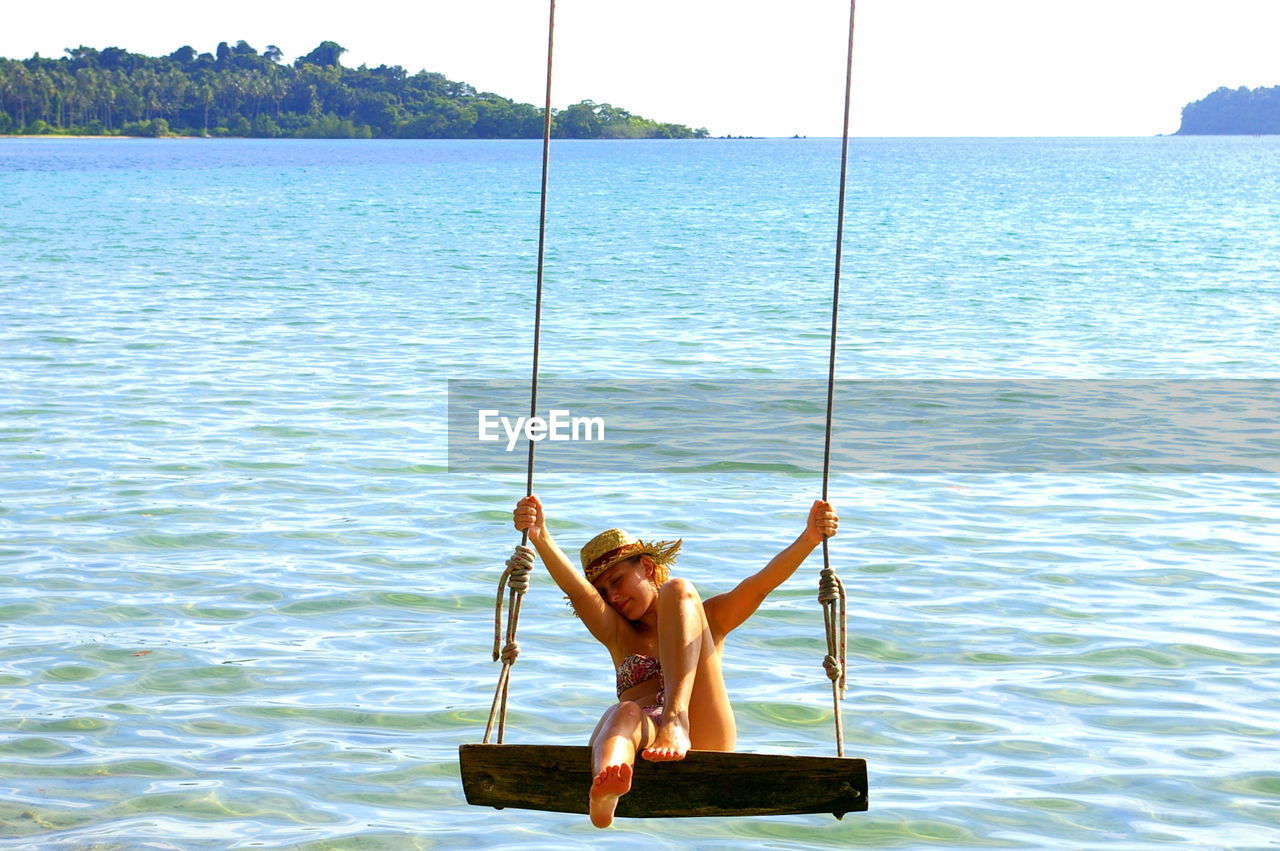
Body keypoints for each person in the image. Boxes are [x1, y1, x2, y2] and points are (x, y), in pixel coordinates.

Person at [512, 494, 839, 828]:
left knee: (678, 589)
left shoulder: (710, 617)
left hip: (703, 731)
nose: (613, 598)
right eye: (605, 593)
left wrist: (810, 538)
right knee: (622, 713)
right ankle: (604, 792)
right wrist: (540, 535)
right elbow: (581, 593)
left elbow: (759, 586)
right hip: (647, 736)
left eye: (617, 581)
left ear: (647, 568)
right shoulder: (617, 633)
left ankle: (675, 719)